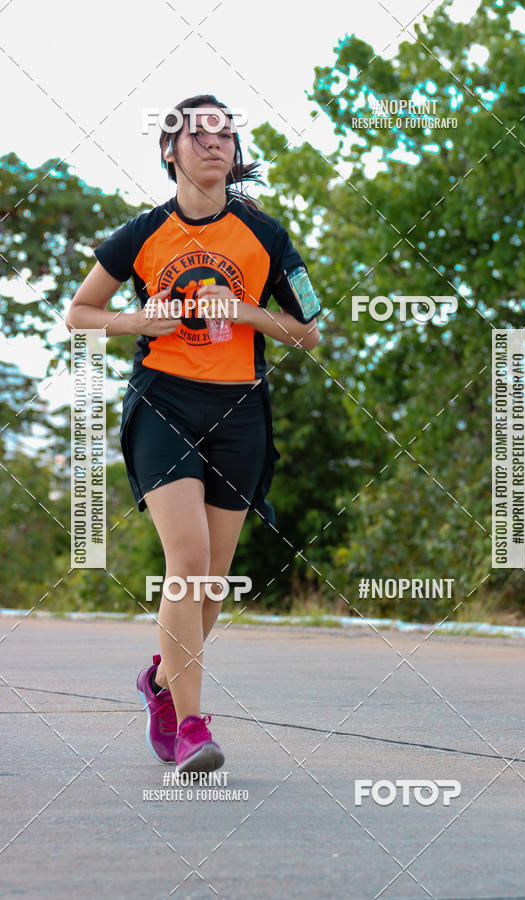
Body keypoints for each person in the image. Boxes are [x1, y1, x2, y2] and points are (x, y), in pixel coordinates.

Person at [65, 93, 321, 775]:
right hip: (164, 402)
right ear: (169, 150)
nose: (216, 141)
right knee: (188, 558)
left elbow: (308, 334)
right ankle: (190, 725)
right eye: (199, 132)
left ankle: (159, 681)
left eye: (226, 133)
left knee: (213, 578)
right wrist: (134, 322)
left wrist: (244, 310)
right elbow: (80, 312)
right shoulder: (143, 232)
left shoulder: (267, 238)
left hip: (240, 409)